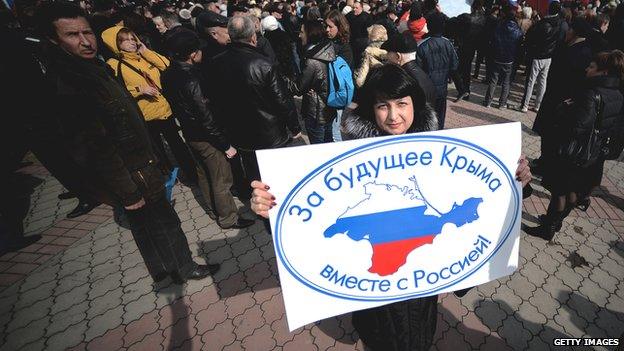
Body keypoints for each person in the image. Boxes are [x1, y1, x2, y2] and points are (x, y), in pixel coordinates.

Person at [248, 64, 533, 351]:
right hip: (374, 293)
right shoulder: (344, 162)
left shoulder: (439, 155)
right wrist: (270, 210)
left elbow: (482, 202)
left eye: (402, 104)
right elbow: (308, 221)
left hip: (421, 293)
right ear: (371, 110)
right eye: (383, 106)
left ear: (416, 106)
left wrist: (518, 179)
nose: (394, 116)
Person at [38, 1, 218, 284]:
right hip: (131, 174)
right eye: (72, 35)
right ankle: (181, 268)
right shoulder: (69, 83)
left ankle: (164, 272)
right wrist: (126, 191)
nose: (85, 41)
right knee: (160, 223)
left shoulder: (93, 68)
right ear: (53, 40)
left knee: (151, 225)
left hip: (141, 164)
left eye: (87, 32)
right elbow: (92, 146)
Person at [161, 29, 254, 230]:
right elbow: (205, 116)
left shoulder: (168, 74)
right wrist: (224, 144)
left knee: (203, 173)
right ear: (192, 54)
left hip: (190, 133)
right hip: (207, 137)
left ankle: (213, 210)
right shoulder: (193, 79)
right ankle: (228, 218)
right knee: (222, 179)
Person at [526, 50, 624, 240]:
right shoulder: (618, 94)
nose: (587, 69)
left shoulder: (591, 93)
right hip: (594, 154)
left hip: (575, 153)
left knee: (559, 192)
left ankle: (548, 228)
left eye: (592, 67)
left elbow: (577, 127)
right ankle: (556, 221)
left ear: (603, 72)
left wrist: (565, 109)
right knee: (573, 191)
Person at [207, 15, 302, 197]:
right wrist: (295, 127)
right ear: (253, 37)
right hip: (270, 136)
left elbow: (215, 102)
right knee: (277, 178)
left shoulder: (215, 63)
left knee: (256, 177)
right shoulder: (264, 64)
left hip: (241, 136)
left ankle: (265, 209)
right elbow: (282, 100)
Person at [101, 26, 198, 184]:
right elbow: (115, 92)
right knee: (156, 150)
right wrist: (140, 89)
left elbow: (166, 65)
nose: (131, 43)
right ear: (115, 43)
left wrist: (146, 52)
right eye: (125, 40)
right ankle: (166, 177)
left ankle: (192, 175)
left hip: (164, 109)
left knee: (178, 145)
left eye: (133, 38)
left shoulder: (144, 56)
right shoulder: (113, 64)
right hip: (145, 115)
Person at [532, 18, 593, 176]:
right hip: (553, 96)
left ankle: (548, 166)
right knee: (546, 132)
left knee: (553, 135)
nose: (567, 31)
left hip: (563, 101)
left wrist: (572, 99)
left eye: (570, 29)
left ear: (576, 32)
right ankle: (544, 159)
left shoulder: (582, 52)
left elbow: (580, 80)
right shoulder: (568, 46)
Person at [291, 19, 338, 144]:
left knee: (318, 148)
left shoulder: (312, 60)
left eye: (302, 32)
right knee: (328, 142)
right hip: (329, 107)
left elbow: (298, 88)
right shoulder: (327, 49)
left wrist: (282, 79)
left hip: (316, 111)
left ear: (310, 33)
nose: (299, 35)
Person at [519, 1, 565, 113]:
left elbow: (533, 37)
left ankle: (524, 105)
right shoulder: (560, 23)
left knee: (531, 81)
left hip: (539, 55)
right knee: (542, 81)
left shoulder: (543, 23)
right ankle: (537, 105)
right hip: (548, 56)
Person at [416, 12, 458, 129]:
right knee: (440, 119)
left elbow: (417, 71)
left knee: (426, 120)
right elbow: (454, 66)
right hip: (442, 89)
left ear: (428, 26)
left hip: (426, 90)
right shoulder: (448, 43)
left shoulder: (421, 45)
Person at [482, 4, 523, 109]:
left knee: (493, 80)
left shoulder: (499, 26)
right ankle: (502, 103)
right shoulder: (518, 30)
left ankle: (487, 102)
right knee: (506, 82)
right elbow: (519, 45)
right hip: (509, 59)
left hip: (497, 56)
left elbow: (493, 39)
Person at [382, 33, 436, 106]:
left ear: (398, 56)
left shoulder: (404, 79)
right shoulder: (422, 74)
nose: (387, 56)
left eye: (388, 52)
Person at [454, 0, 486, 102]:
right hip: (472, 48)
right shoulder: (483, 19)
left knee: (456, 69)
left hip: (463, 46)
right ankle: (465, 91)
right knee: (466, 69)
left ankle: (463, 90)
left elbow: (454, 23)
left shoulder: (465, 17)